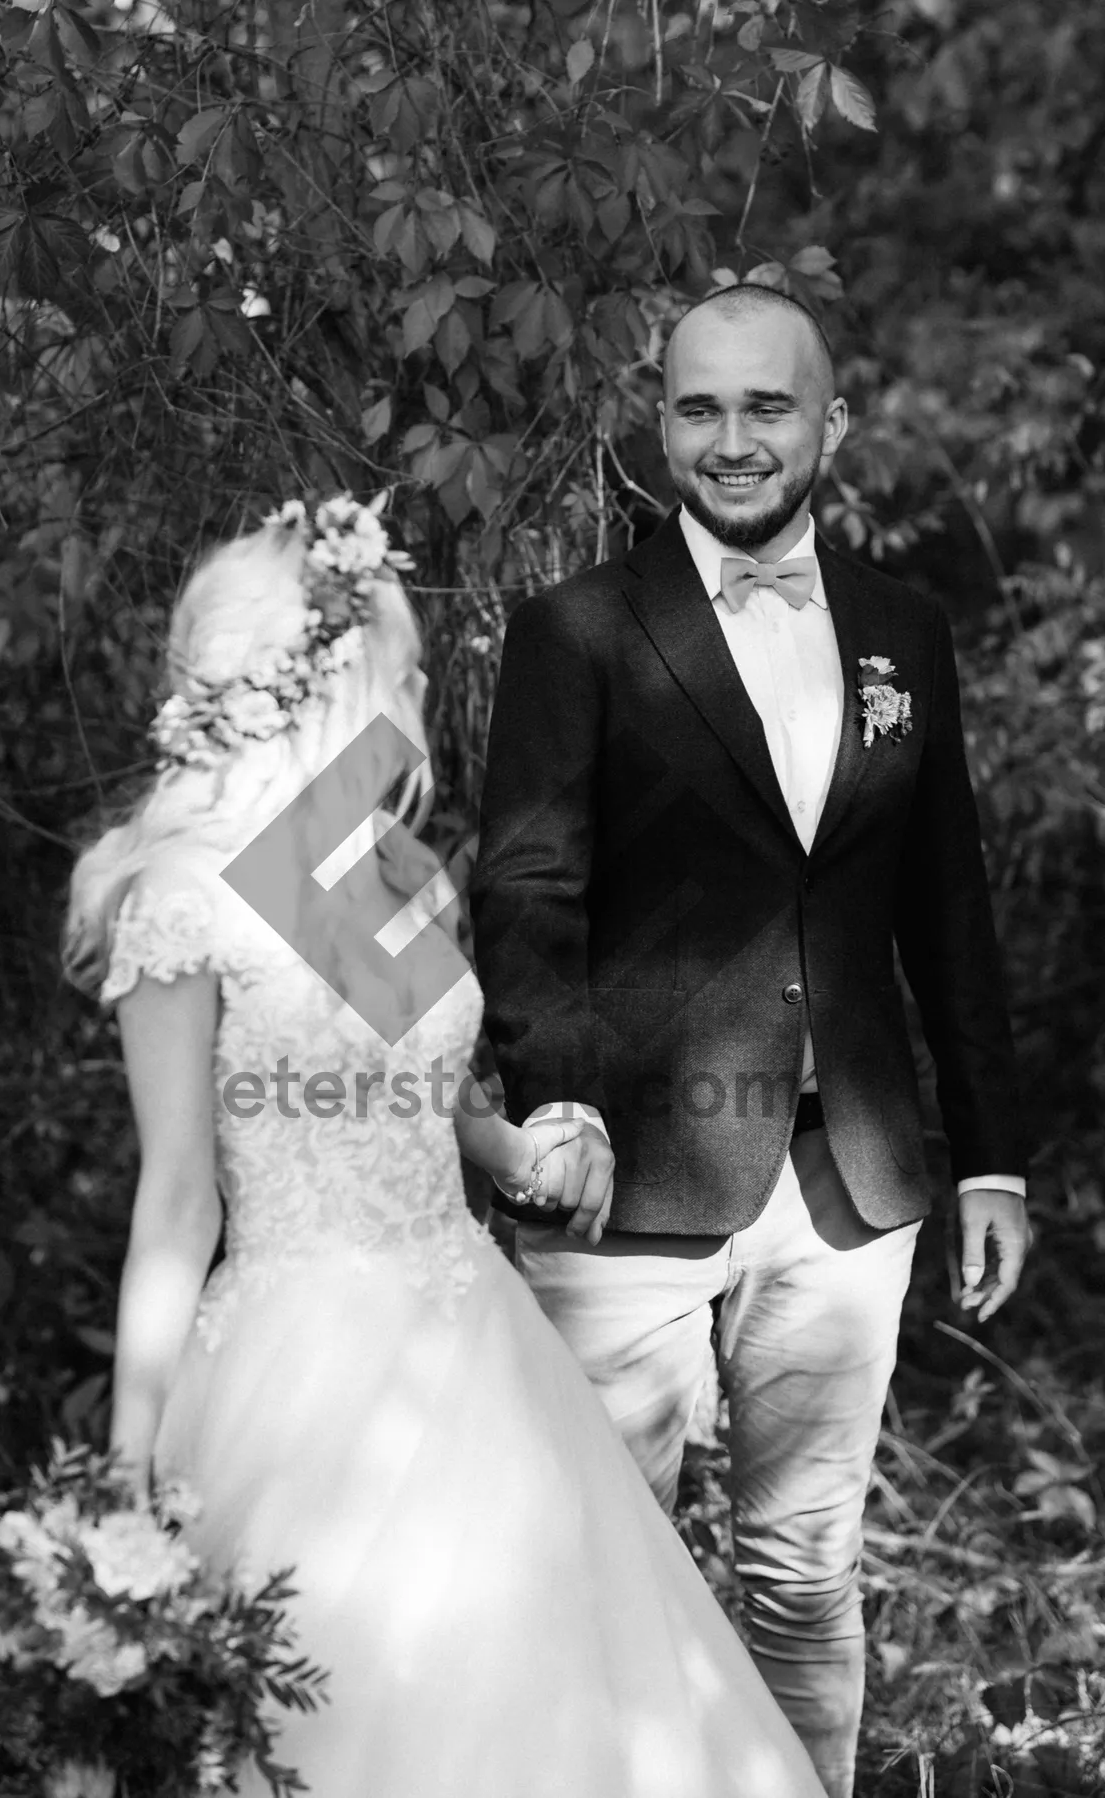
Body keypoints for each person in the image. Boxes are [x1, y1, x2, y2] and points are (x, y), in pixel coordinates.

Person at [63, 494, 825, 1798]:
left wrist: (517, 1148)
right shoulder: (181, 898)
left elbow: (431, 1090)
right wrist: (125, 1459)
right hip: (305, 1370)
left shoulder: (349, 862)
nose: (414, 683)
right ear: (328, 671)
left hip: (472, 1332)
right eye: (398, 659)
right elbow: (179, 1200)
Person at [470, 284, 1032, 1798]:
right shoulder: (575, 631)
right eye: (699, 408)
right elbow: (528, 885)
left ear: (830, 422)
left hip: (849, 1184)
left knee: (802, 1572)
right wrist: (559, 1102)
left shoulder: (905, 632)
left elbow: (947, 901)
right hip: (620, 1182)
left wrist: (992, 1157)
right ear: (661, 426)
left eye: (766, 406)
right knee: (605, 1566)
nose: (732, 440)